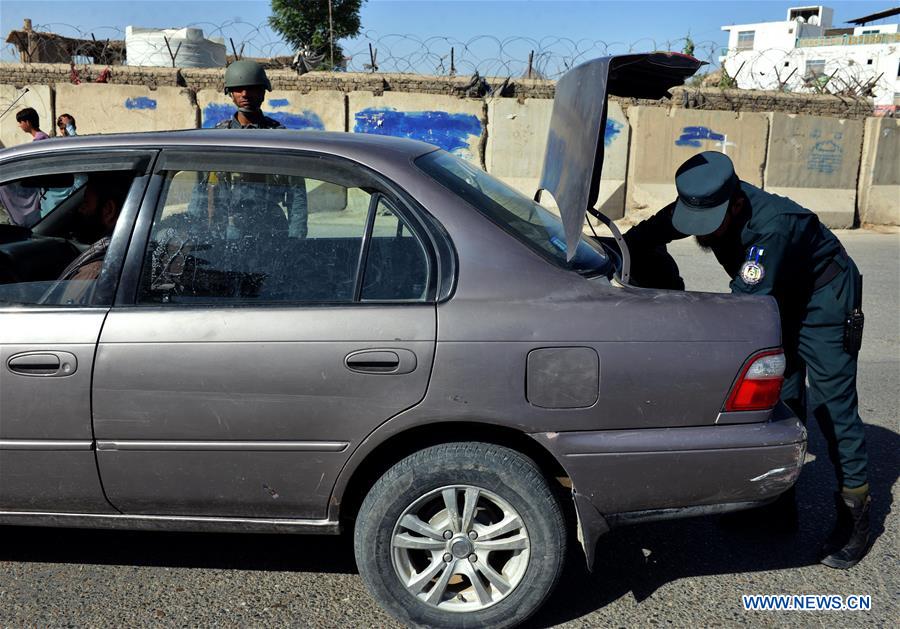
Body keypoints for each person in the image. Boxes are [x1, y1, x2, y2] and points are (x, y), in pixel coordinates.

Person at [624, 151, 871, 570]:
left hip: (823, 302)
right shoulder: (704, 199)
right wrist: (608, 255)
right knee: (779, 400)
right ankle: (776, 508)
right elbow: (648, 235)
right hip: (774, 298)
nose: (702, 231)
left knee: (834, 410)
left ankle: (858, 517)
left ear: (736, 202)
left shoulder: (773, 225)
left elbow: (743, 307)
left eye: (712, 222)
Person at [206, 59, 308, 239]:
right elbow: (201, 191)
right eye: (238, 89)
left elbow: (296, 193)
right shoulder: (218, 138)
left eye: (252, 88)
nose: (245, 94)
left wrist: (296, 239)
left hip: (271, 229)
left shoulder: (279, 137)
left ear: (263, 92)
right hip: (229, 230)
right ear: (230, 93)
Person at [54, 173, 132, 304]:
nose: (80, 209)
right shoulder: (130, 252)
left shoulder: (93, 272)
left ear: (108, 210)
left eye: (85, 203)